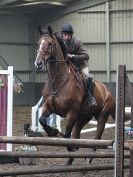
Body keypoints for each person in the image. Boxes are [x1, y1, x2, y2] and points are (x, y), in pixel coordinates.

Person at [61, 23, 97, 106]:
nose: (66, 37)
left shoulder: (77, 42)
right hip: (67, 65)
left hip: (80, 65)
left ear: (71, 35)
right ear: (62, 35)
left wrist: (72, 56)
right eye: (65, 35)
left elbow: (86, 56)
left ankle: (91, 98)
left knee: (87, 76)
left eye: (68, 35)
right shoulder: (60, 42)